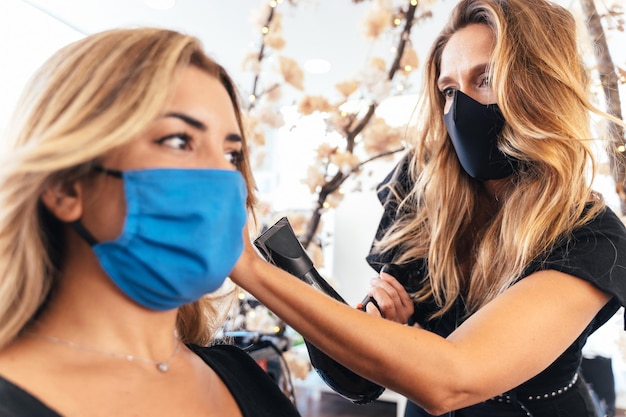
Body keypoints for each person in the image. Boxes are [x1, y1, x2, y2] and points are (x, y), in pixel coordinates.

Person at [229, 0, 626, 416]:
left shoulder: (592, 239)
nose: (460, 108)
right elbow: (355, 378)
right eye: (450, 90)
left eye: (485, 79)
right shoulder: (423, 191)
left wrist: (250, 269)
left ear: (541, 88)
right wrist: (381, 327)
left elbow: (452, 379)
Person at [0, 28, 300, 417]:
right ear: (65, 187)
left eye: (231, 155)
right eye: (179, 140)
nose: (224, 178)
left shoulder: (243, 374)